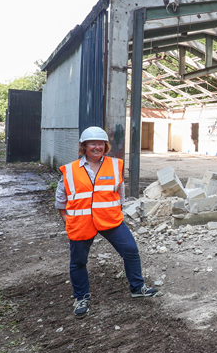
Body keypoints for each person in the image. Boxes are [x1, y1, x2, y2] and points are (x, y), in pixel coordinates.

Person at [56, 126, 157, 318]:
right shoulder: (69, 171)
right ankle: (81, 298)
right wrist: (67, 220)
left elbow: (121, 193)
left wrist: (116, 212)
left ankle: (137, 287)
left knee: (131, 251)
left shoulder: (114, 165)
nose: (97, 147)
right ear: (84, 146)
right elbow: (60, 200)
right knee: (78, 262)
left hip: (111, 220)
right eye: (92, 143)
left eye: (100, 143)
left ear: (105, 145)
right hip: (81, 223)